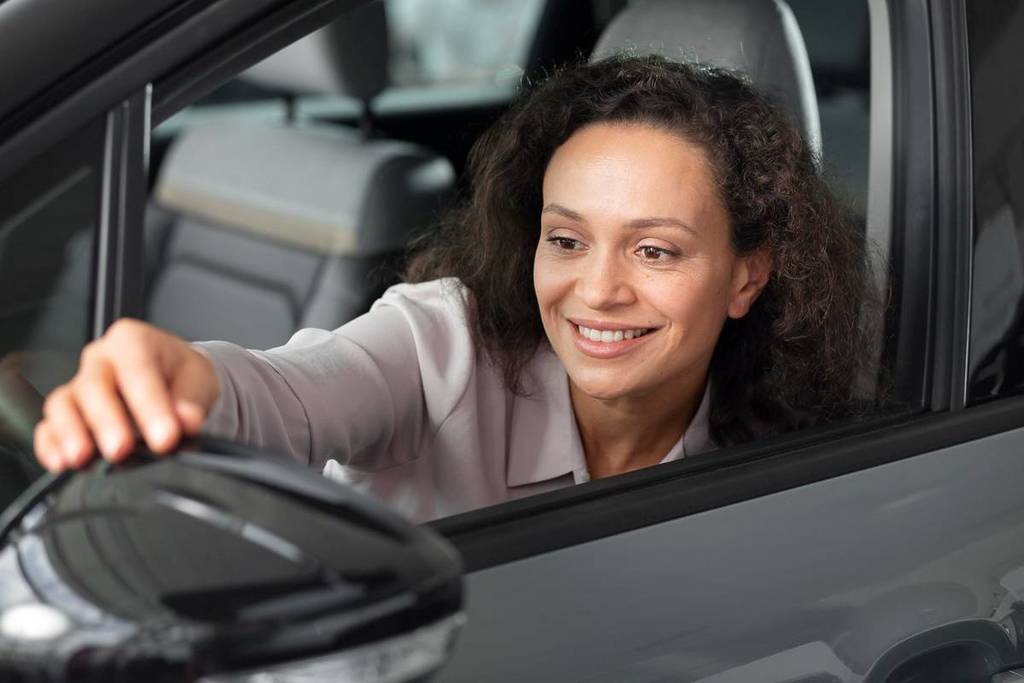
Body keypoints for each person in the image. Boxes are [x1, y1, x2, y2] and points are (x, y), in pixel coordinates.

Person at [33, 55, 877, 521]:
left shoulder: (781, 456)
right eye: (567, 239)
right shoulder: (440, 343)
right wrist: (194, 382)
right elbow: (294, 394)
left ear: (749, 274)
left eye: (654, 251)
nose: (597, 290)